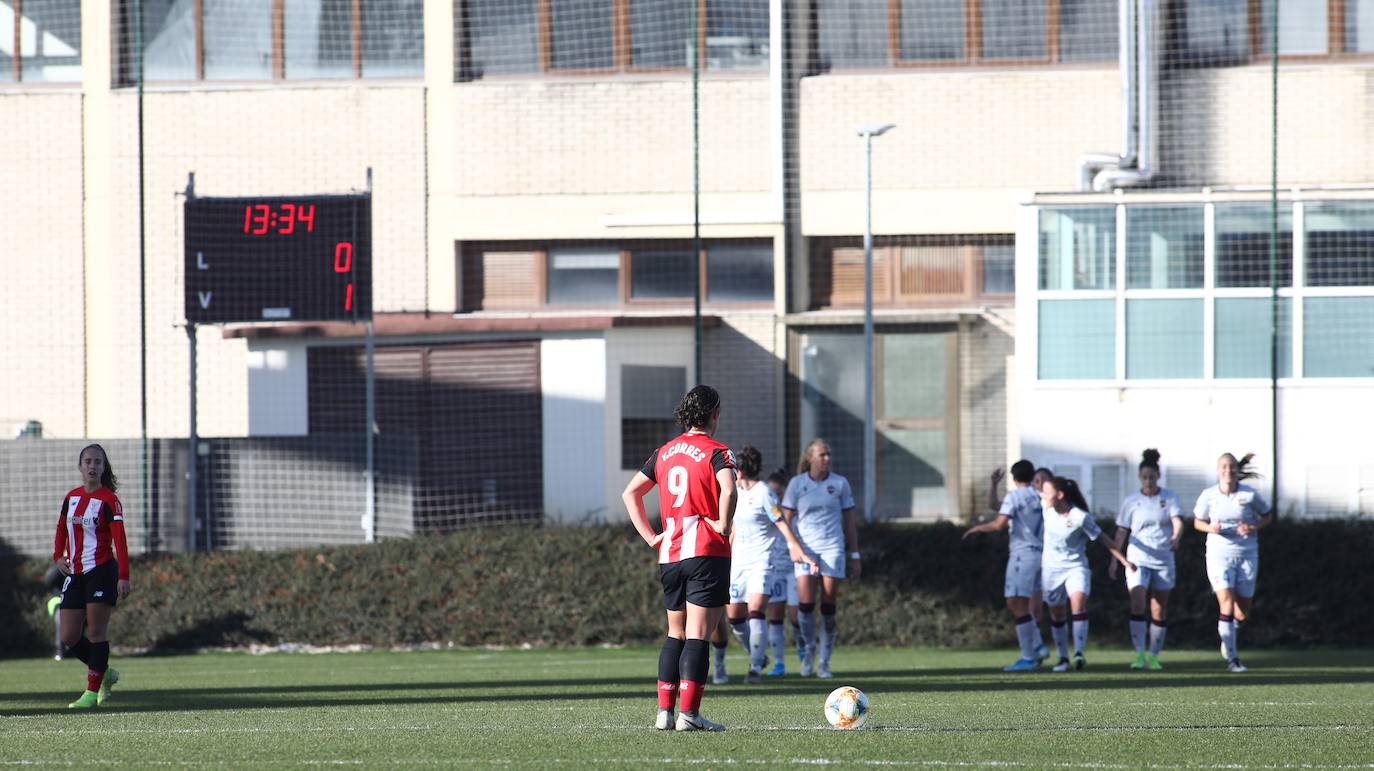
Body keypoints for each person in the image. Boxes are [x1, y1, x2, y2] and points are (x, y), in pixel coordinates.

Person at [622, 385, 737, 731]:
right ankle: (689, 714)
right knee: (699, 634)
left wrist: (651, 537)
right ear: (714, 414)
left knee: (676, 633)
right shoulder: (719, 451)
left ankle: (664, 713)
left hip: (670, 554)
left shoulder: (664, 452)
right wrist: (723, 523)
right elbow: (729, 489)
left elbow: (630, 493)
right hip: (706, 551)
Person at [725, 447, 817, 683]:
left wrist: (795, 548)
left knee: (756, 612)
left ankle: (755, 668)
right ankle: (757, 655)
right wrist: (724, 553)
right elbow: (733, 527)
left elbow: (781, 522)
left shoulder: (764, 492)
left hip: (762, 562)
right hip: (738, 562)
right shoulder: (733, 491)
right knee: (735, 617)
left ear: (741, 469)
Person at [53, 444, 131, 709]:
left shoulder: (109, 500)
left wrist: (123, 575)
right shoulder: (71, 497)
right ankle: (105, 672)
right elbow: (61, 528)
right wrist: (57, 557)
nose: (92, 466)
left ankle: (91, 693)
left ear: (103, 466)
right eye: (88, 461)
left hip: (101, 571)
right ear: (80, 466)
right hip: (74, 573)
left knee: (97, 632)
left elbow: (120, 539)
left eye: (98, 461)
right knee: (69, 635)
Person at [1039, 475, 1135, 672]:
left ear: (1059, 495)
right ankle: (1062, 657)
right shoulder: (1045, 508)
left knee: (1078, 604)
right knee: (1056, 613)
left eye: (1046, 492)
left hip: (1076, 568)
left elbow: (1104, 539)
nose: (1042, 495)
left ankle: (1079, 653)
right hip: (1051, 570)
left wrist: (1123, 560)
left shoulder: (1079, 517)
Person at [781, 439, 858, 679]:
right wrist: (792, 547)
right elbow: (785, 519)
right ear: (810, 458)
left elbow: (849, 522)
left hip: (832, 548)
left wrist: (854, 554)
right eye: (822, 454)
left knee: (828, 606)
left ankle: (824, 661)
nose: (827, 458)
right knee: (805, 604)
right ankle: (809, 649)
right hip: (806, 550)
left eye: (828, 454)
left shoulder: (839, 483)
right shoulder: (797, 484)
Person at [962, 459, 1049, 672]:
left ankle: (1029, 656)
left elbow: (999, 523)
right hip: (1040, 556)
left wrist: (977, 528)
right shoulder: (1039, 496)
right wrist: (993, 485)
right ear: (1032, 476)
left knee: (1015, 604)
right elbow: (997, 507)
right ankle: (1037, 647)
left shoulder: (1015, 496)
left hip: (1022, 555)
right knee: (1021, 604)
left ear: (1013, 477)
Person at [1193, 452, 1274, 674]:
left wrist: (1252, 527)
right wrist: (1211, 528)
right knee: (1226, 604)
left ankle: (1229, 631)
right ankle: (1232, 658)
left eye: (1231, 467)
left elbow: (1267, 515)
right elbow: (1197, 522)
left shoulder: (1249, 495)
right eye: (1224, 467)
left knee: (1241, 612)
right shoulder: (1208, 495)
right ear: (1218, 470)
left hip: (1247, 555)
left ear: (1237, 470)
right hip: (1219, 555)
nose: (1228, 471)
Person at [1110, 449, 1184, 671]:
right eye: (1144, 477)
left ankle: (1153, 656)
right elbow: (1121, 532)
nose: (1148, 481)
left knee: (1158, 609)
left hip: (1163, 558)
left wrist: (1176, 536)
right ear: (1139, 478)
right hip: (1137, 558)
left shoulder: (1169, 498)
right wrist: (1115, 560)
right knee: (1137, 602)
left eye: (1152, 477)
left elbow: (1178, 521)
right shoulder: (1131, 501)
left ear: (1158, 477)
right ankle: (1139, 654)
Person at [763, 468, 805, 677]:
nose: (775, 497)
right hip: (775, 570)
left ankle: (804, 653)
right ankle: (779, 663)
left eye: (779, 493)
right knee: (775, 615)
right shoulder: (765, 513)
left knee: (796, 615)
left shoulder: (795, 515)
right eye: (772, 492)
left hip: (795, 569)